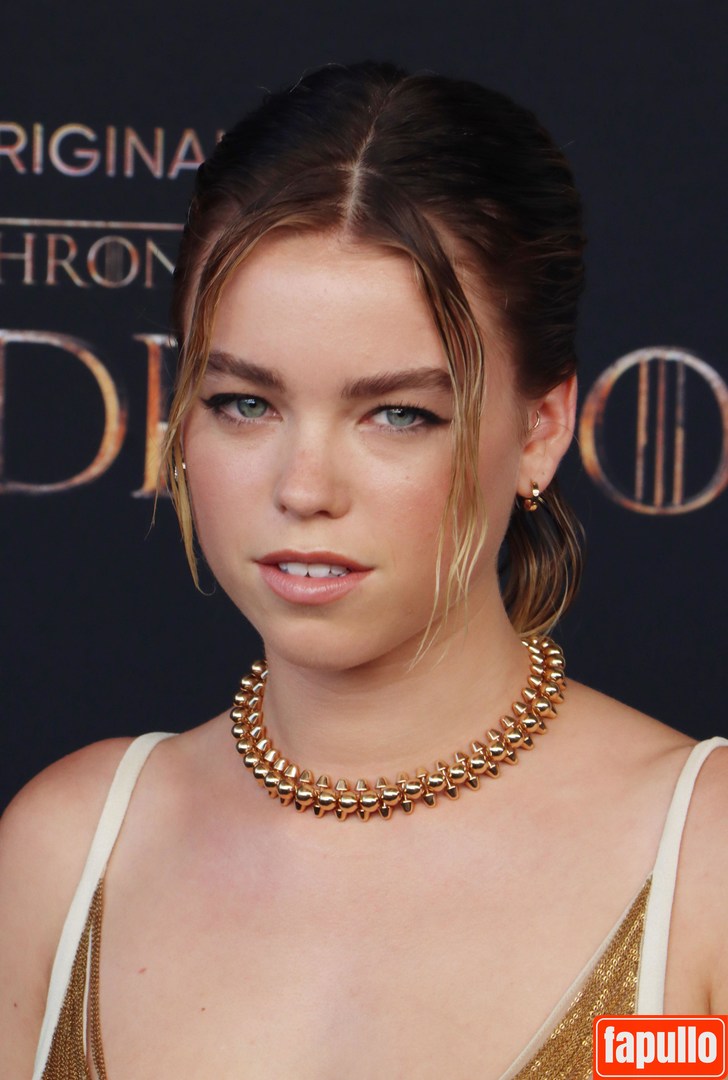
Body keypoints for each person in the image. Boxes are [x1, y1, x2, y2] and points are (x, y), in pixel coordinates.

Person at [1, 61, 726, 1080]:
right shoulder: (67, 853)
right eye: (244, 403)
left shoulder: (705, 861)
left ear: (541, 428)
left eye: (397, 414)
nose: (304, 488)